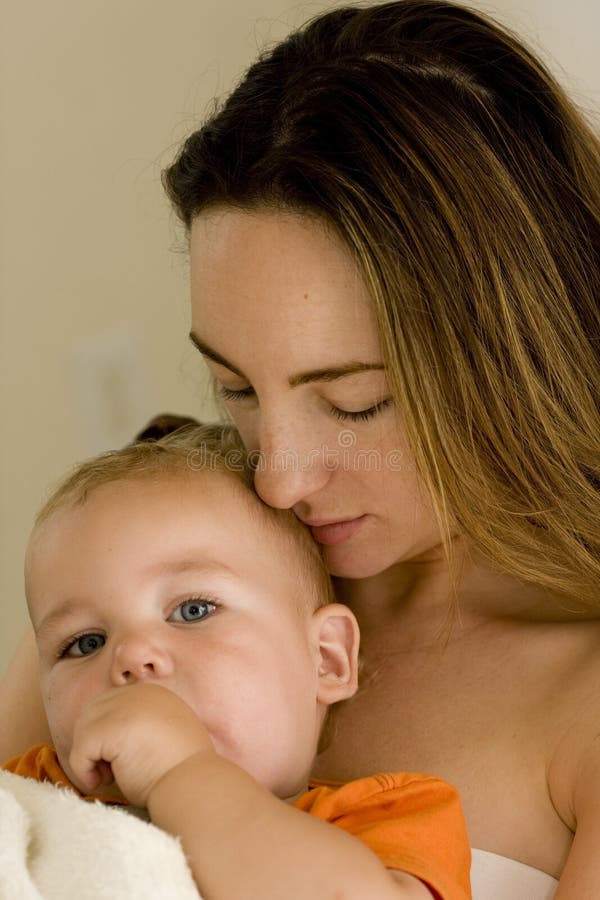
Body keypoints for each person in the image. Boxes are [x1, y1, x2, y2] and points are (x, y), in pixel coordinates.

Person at [1, 0, 599, 895]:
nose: (277, 478)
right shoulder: (150, 565)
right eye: (235, 387)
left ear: (517, 365)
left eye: (356, 404)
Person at [3, 425, 471, 900]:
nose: (131, 656)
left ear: (326, 658)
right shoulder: (37, 789)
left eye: (193, 610)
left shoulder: (386, 816)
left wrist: (181, 772)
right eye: (84, 643)